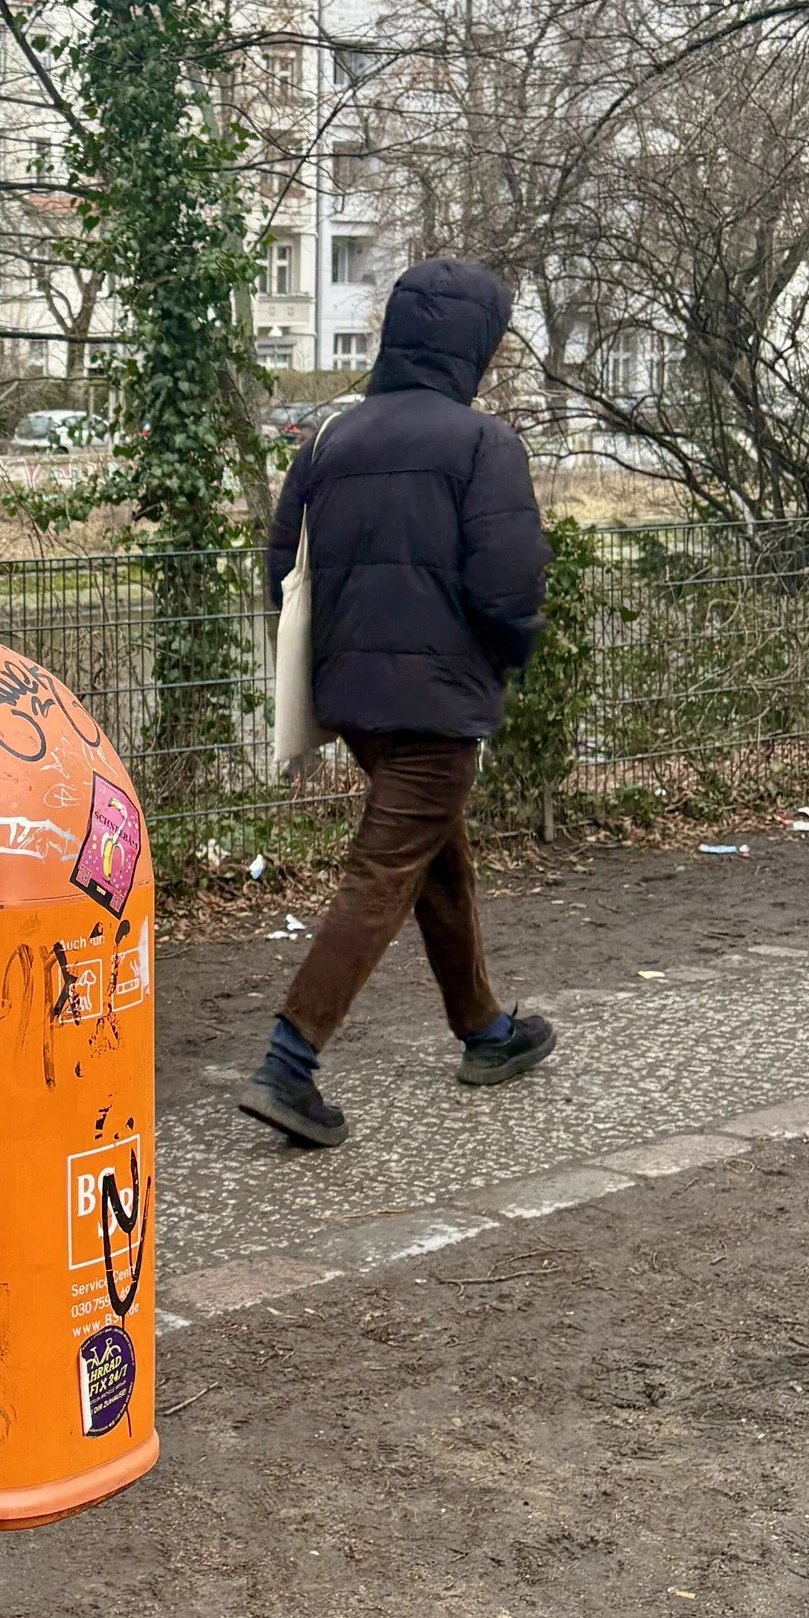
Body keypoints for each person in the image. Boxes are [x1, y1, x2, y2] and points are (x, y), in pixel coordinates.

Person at [238, 257, 556, 1148]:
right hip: (440, 699)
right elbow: (509, 582)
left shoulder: (330, 440)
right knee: (384, 869)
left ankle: (485, 1029)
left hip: (350, 698)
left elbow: (281, 568)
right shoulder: (483, 444)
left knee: (432, 854)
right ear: (474, 346)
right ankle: (289, 1060)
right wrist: (509, 654)